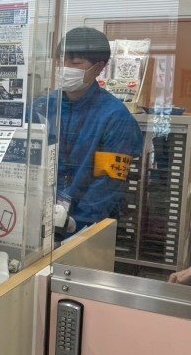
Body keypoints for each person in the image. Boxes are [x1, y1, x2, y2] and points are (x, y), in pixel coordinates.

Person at [33, 27, 143, 237]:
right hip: (38, 220)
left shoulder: (114, 117)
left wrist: (77, 223)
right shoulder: (41, 108)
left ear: (98, 68)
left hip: (87, 227)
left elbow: (108, 182)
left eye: (75, 63)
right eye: (61, 61)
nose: (65, 68)